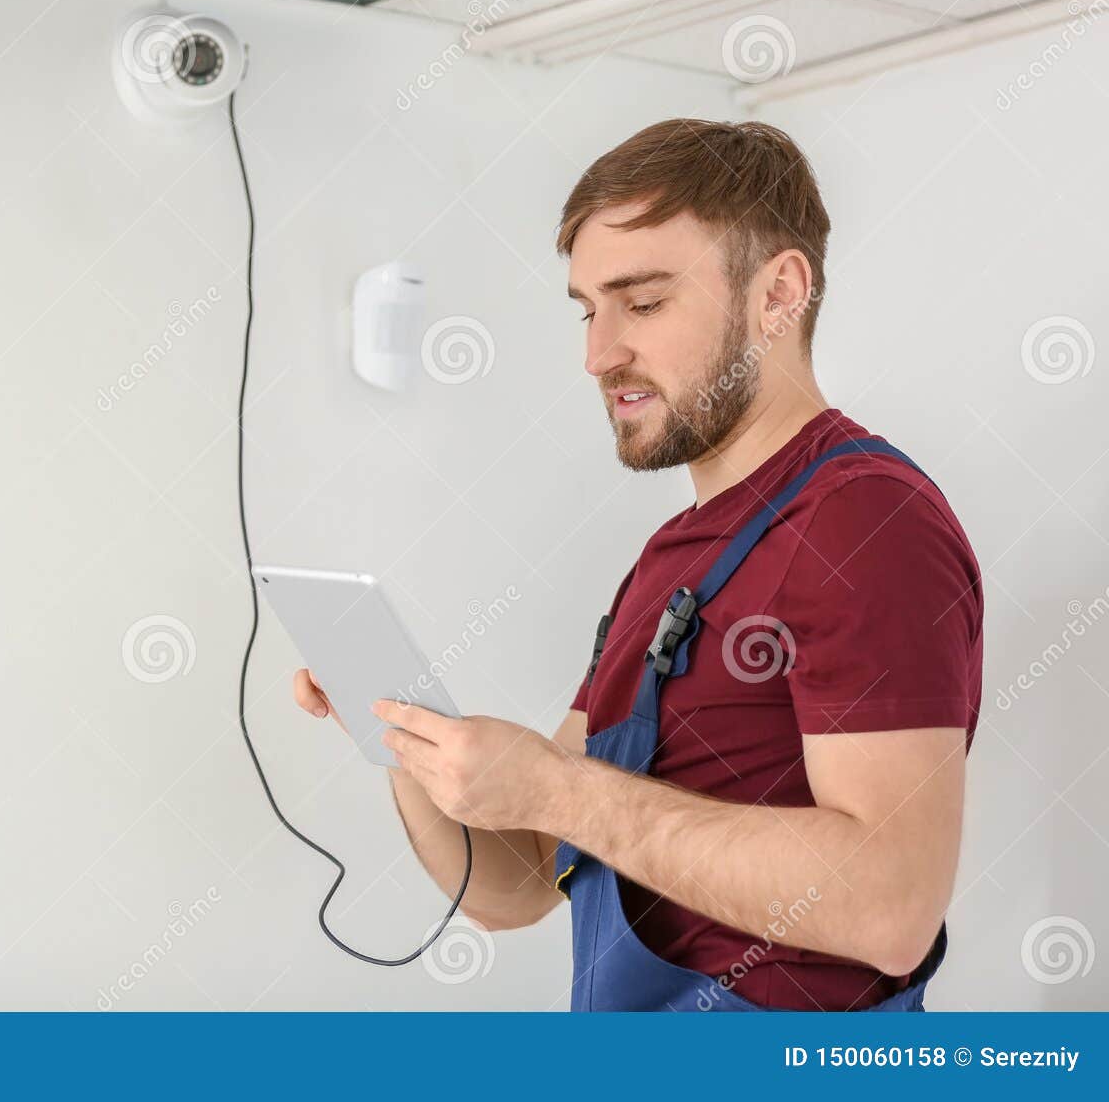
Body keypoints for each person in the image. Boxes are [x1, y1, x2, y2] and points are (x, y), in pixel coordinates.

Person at [292, 119, 983, 1012]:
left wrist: (560, 788)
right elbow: (519, 884)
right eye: (588, 309)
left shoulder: (862, 518)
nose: (597, 353)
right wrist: (400, 736)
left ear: (780, 292)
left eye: (644, 303)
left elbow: (892, 904)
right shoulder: (675, 558)